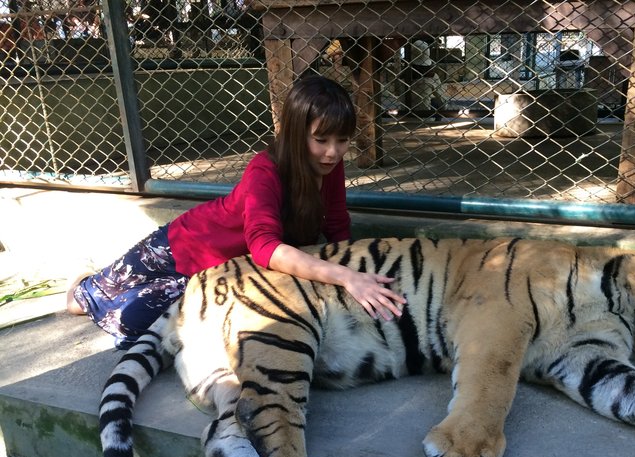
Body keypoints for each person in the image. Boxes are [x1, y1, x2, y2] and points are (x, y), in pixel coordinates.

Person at [67, 74, 406, 348]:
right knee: (81, 306)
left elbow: (336, 224)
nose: (333, 152)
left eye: (342, 140)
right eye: (321, 139)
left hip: (212, 277)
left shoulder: (329, 166)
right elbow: (265, 248)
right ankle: (84, 279)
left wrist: (353, 269)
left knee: (144, 326)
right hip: (179, 247)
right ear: (294, 133)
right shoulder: (265, 170)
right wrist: (346, 276)